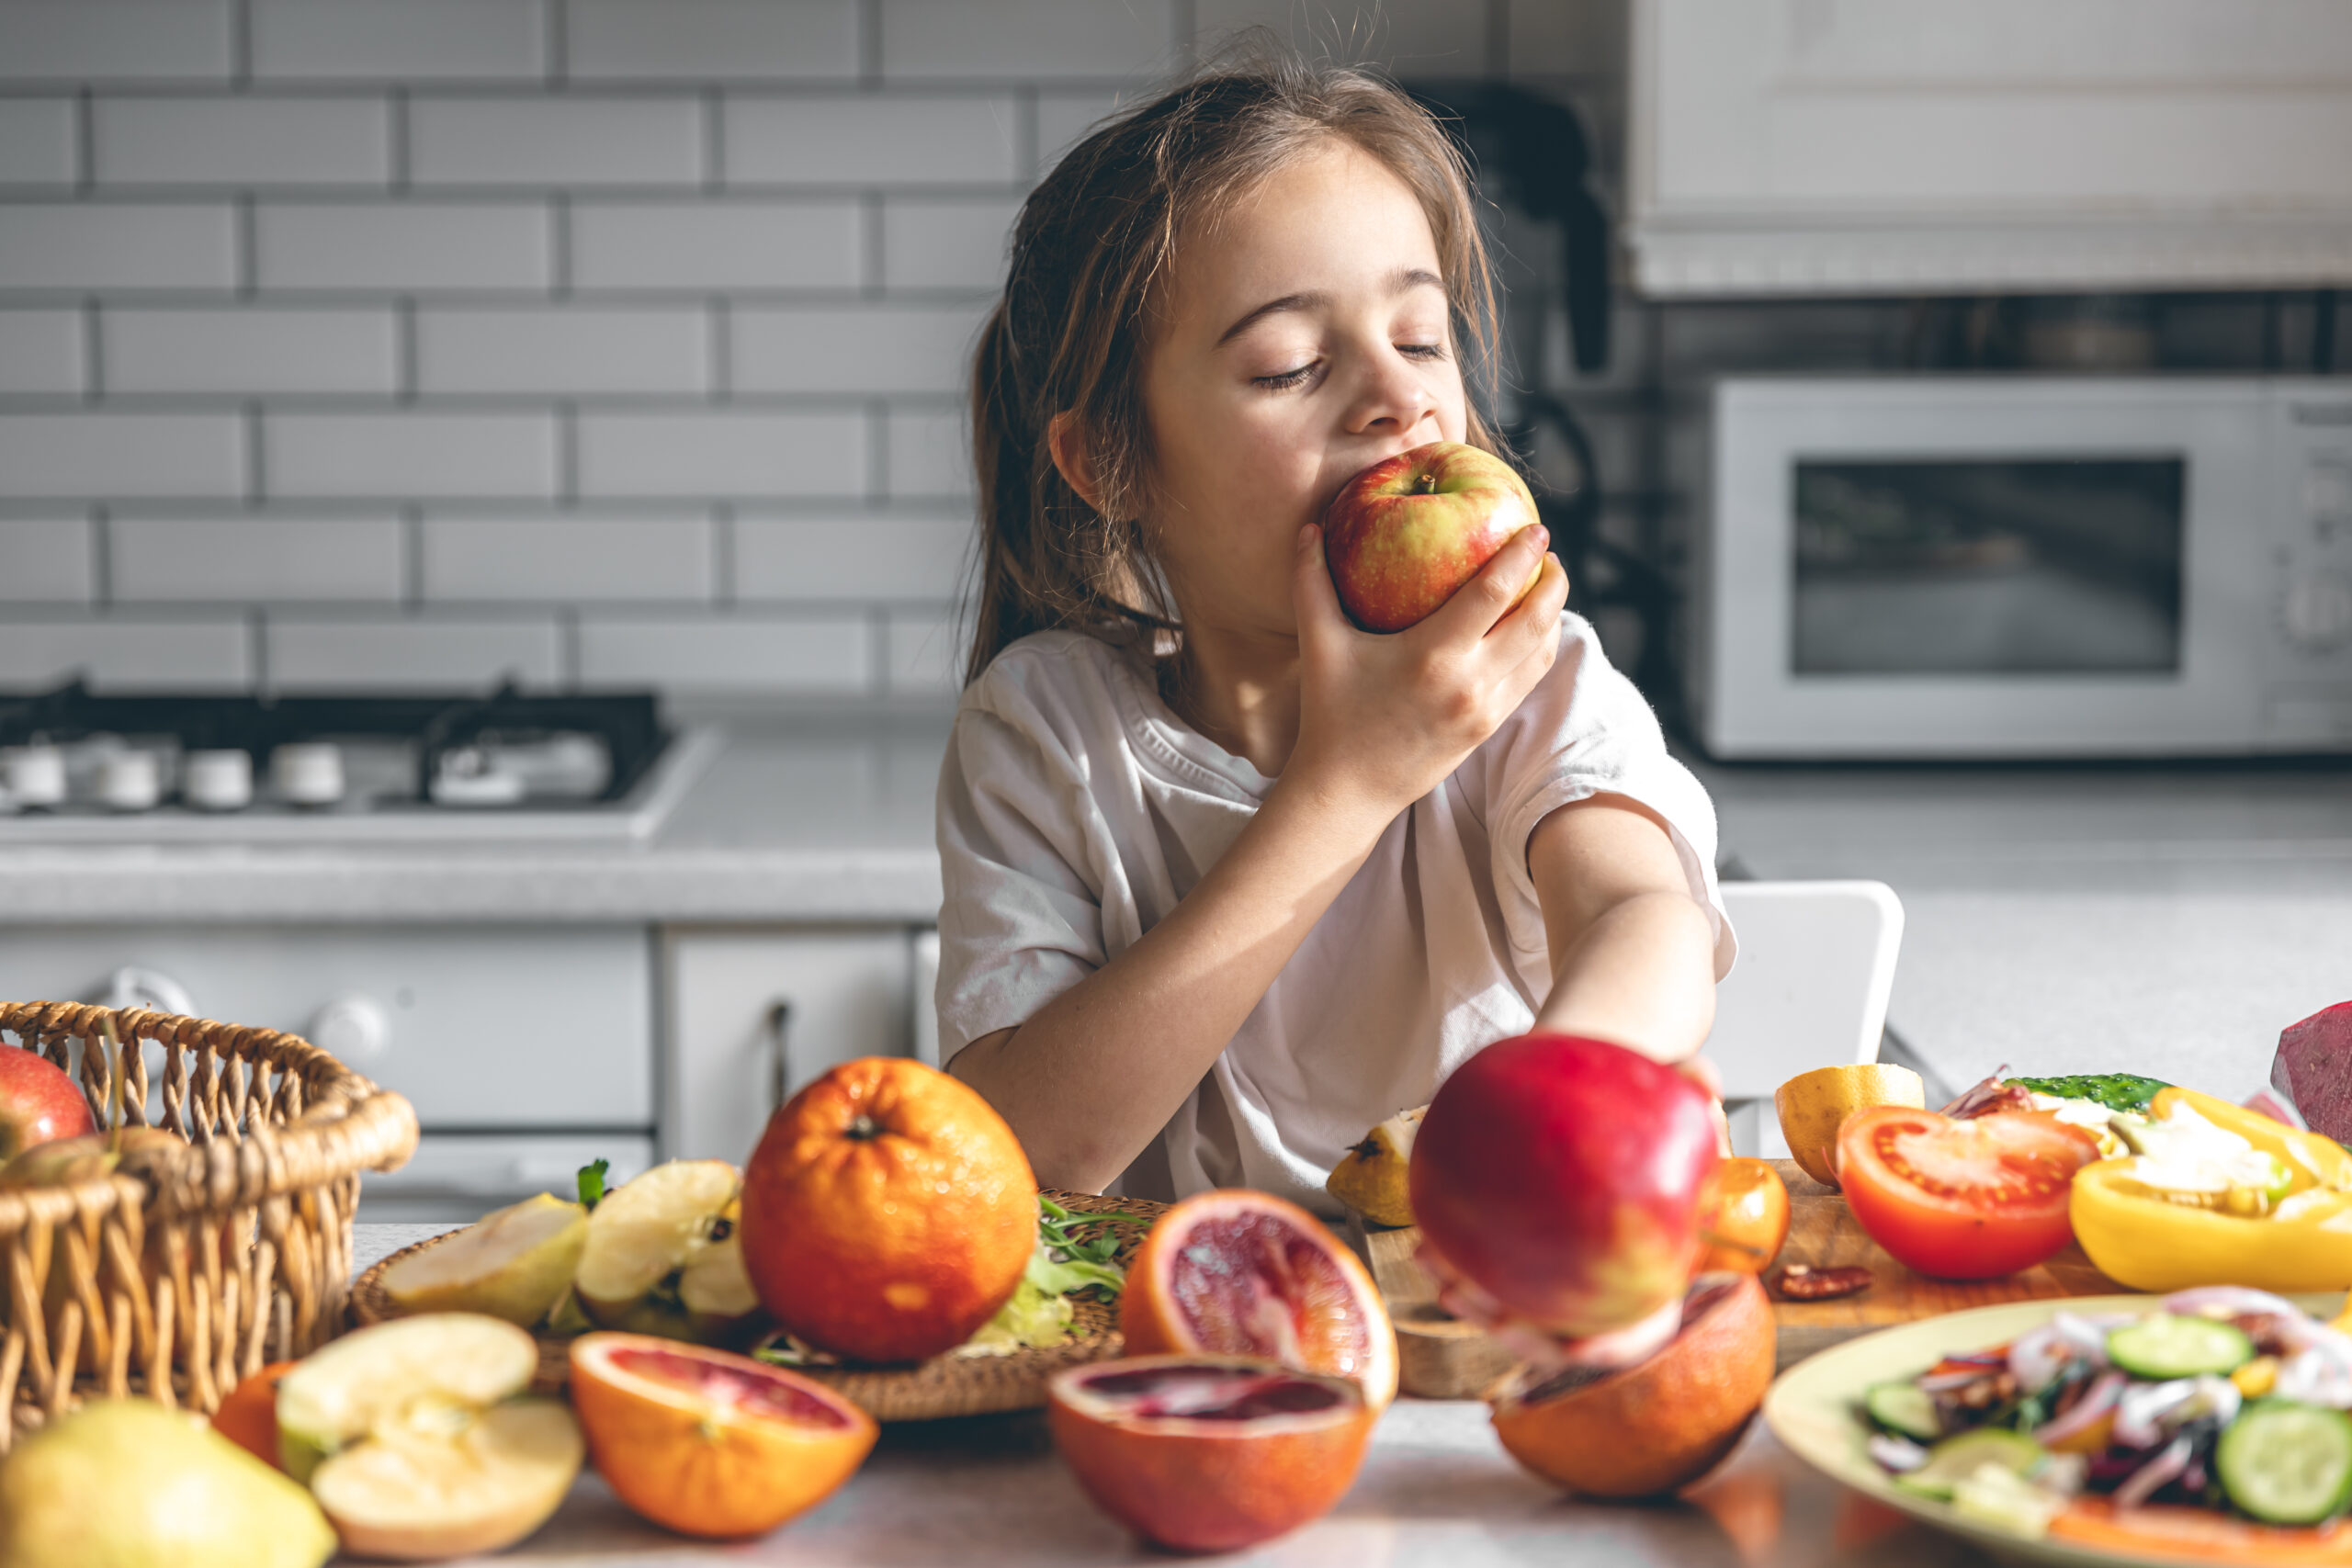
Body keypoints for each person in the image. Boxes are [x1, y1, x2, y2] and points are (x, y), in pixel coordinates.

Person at [933, 56, 1734, 1219]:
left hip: (1472, 1334)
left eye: (1419, 338)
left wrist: (1557, 1095)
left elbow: (1640, 915)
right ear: (1110, 460)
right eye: (1291, 367)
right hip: (1181, 1368)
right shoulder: (1046, 733)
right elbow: (1023, 1155)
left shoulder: (1530, 682)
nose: (1395, 395)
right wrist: (1350, 783)